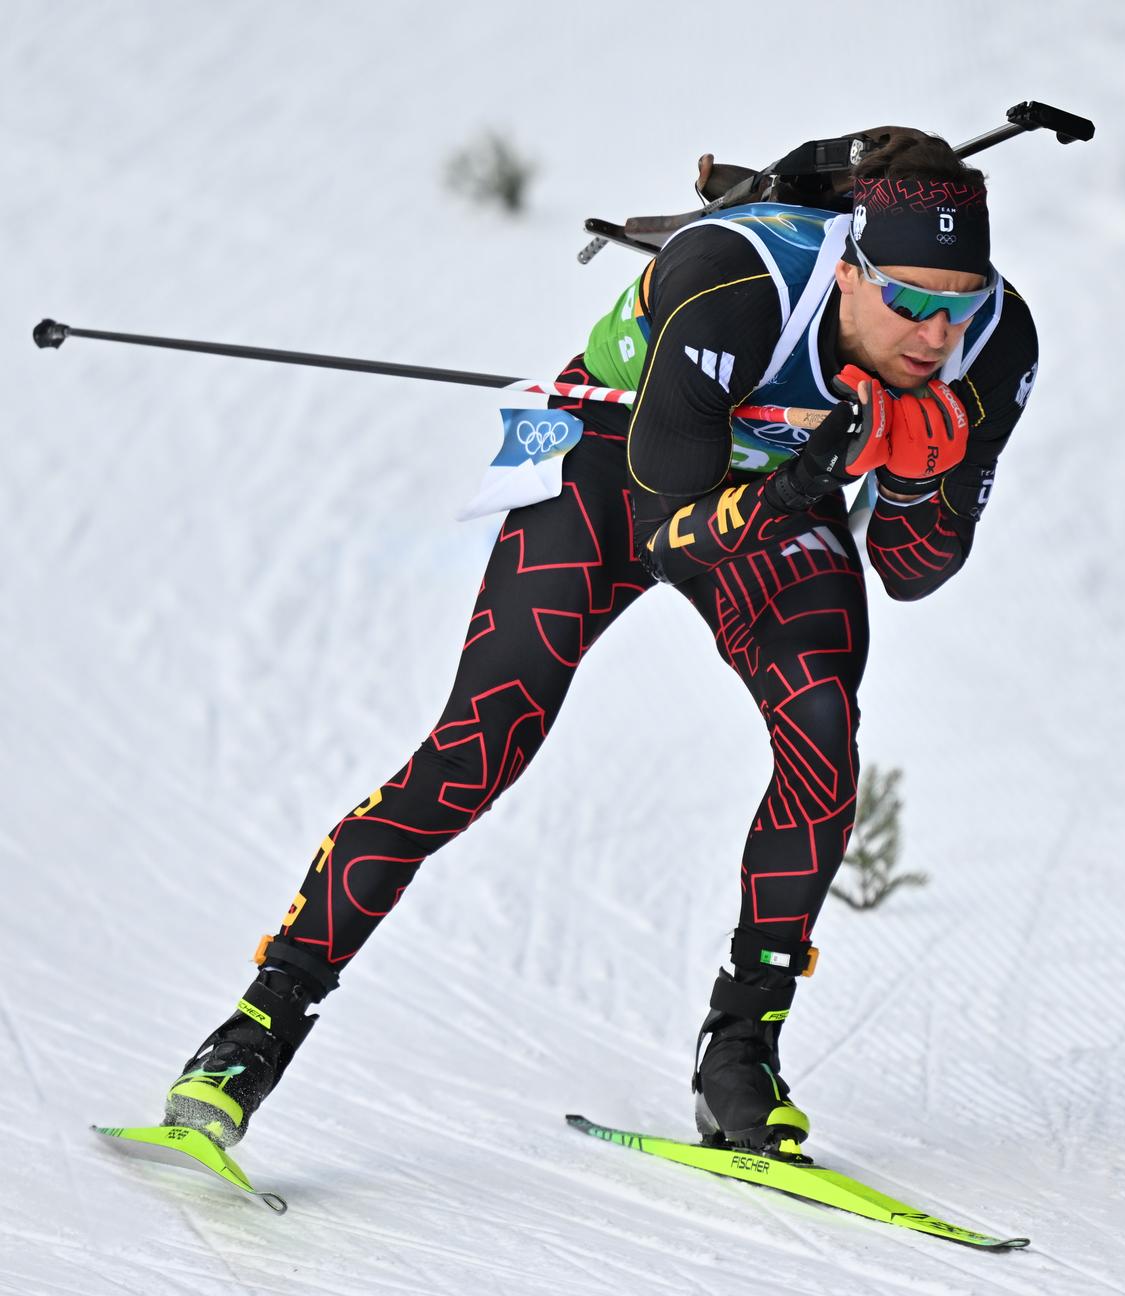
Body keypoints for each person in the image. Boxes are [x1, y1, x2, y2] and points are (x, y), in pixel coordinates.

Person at [162, 127, 1038, 1158]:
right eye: (909, 303)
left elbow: (912, 568)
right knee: (476, 748)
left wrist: (925, 464)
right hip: (611, 469)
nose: (936, 335)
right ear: (848, 269)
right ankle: (255, 1029)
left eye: (958, 306)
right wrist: (809, 475)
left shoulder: (997, 346)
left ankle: (740, 1056)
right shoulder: (731, 284)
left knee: (822, 730)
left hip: (767, 498)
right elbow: (670, 528)